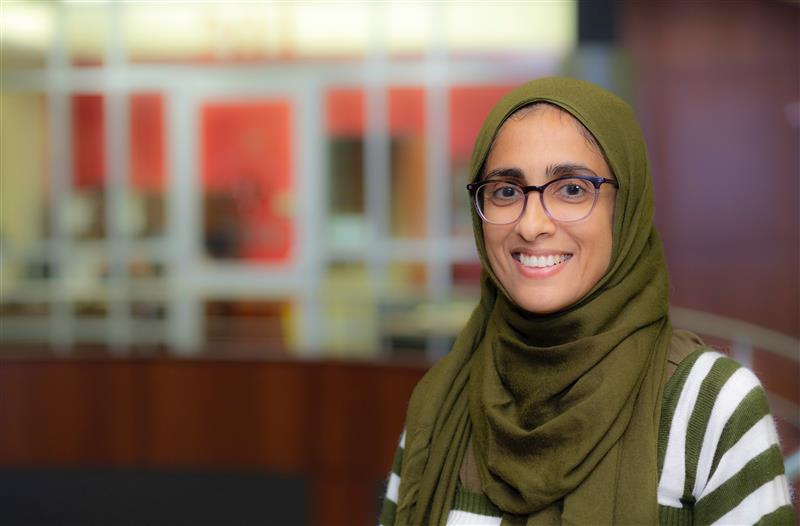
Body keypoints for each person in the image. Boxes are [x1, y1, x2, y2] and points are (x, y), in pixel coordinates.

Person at [379, 78, 794, 525]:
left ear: (625, 208)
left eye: (572, 189)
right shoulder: (444, 401)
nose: (531, 225)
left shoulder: (710, 407)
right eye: (506, 190)